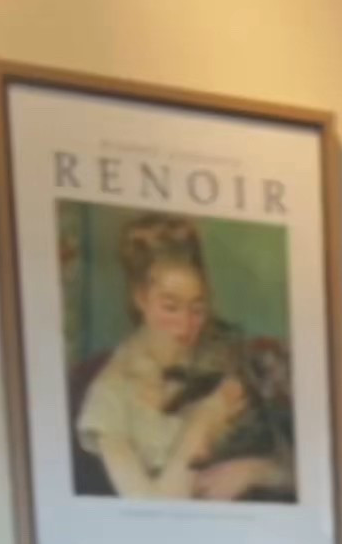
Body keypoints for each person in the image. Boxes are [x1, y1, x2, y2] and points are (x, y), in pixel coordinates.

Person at [75, 213, 295, 502]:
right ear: (140, 297)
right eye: (170, 307)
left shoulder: (229, 353)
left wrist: (255, 470)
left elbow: (312, 472)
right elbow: (154, 516)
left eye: (198, 308)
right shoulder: (109, 395)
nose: (186, 326)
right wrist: (203, 421)